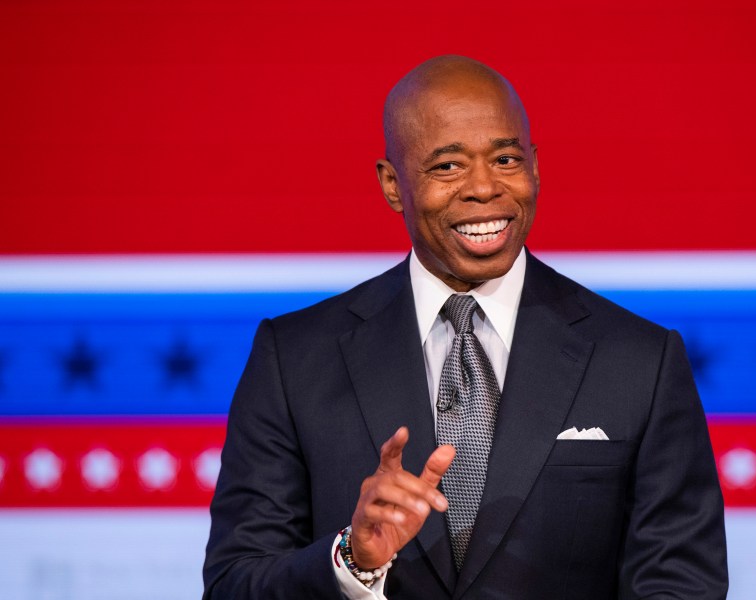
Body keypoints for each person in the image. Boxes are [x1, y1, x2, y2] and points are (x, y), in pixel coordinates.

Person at [203, 55, 728, 599]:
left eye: (505, 159)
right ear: (391, 184)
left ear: (536, 166)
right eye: (448, 166)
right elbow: (234, 584)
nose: (484, 188)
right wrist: (351, 561)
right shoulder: (293, 359)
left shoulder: (640, 359)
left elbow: (681, 583)